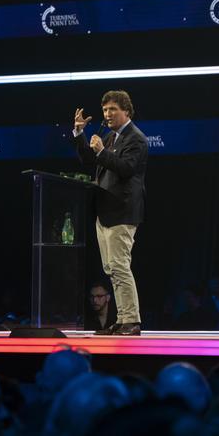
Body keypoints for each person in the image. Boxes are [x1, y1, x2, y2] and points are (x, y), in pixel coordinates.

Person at [74, 90, 148, 336]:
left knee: (119, 266)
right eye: (105, 110)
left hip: (122, 213)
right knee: (111, 268)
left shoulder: (135, 138)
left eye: (113, 109)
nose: (107, 114)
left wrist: (101, 151)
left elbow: (126, 168)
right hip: (104, 213)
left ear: (126, 110)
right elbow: (88, 159)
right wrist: (79, 133)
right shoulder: (110, 136)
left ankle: (132, 321)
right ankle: (123, 318)